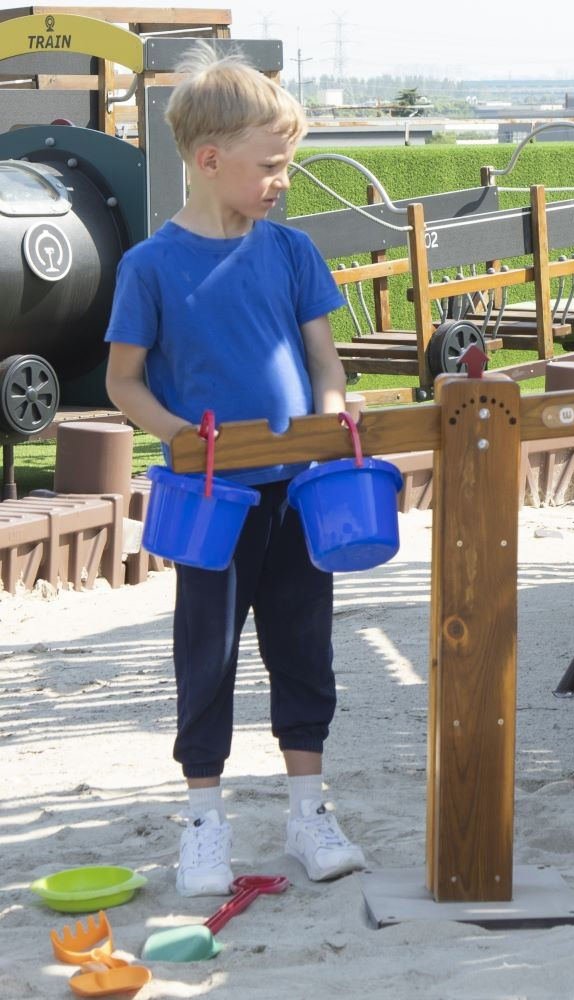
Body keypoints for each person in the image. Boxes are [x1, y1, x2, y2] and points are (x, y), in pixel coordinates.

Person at [104, 44, 365, 895]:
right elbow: (122, 380)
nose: (282, 180)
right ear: (211, 161)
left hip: (297, 493)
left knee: (304, 648)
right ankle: (206, 826)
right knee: (206, 658)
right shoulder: (149, 267)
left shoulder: (290, 253)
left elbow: (326, 361)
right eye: (271, 165)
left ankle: (307, 813)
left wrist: (331, 411)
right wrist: (180, 436)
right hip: (210, 500)